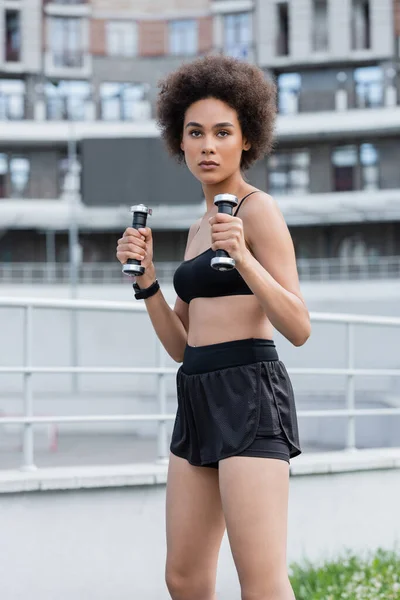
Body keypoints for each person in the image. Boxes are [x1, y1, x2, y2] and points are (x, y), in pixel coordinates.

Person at [116, 55, 311, 600]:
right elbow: (182, 346)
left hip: (250, 391)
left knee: (262, 583)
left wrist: (245, 258)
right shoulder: (199, 228)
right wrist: (149, 281)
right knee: (184, 576)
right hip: (197, 393)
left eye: (222, 132)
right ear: (179, 142)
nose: (207, 146)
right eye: (194, 133)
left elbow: (298, 326)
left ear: (247, 139)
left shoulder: (259, 210)